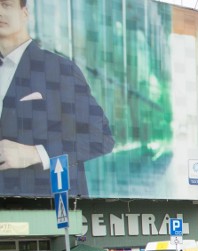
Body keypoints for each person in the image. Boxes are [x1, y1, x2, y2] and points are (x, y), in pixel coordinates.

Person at [0, 0, 114, 198]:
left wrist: (34, 154)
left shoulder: (58, 69)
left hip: (46, 209)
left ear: (25, 13)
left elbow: (101, 137)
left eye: (5, 4)